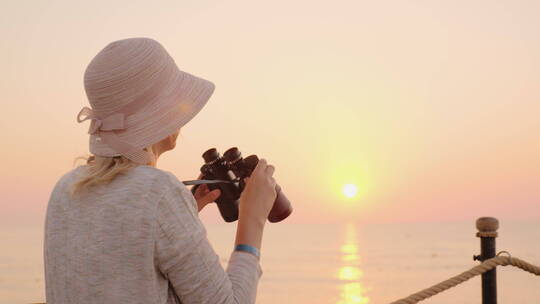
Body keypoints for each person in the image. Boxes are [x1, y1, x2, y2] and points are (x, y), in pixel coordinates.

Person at [43, 37, 277, 304]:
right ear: (158, 114)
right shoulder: (158, 192)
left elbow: (111, 275)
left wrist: (177, 220)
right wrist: (253, 219)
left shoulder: (65, 188)